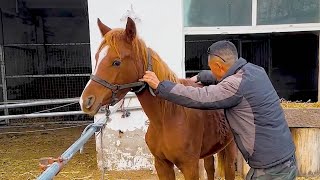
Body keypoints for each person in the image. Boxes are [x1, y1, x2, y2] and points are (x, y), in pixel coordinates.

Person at [140, 40, 297, 179]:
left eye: (211, 68)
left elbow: (202, 96)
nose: (212, 71)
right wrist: (201, 77)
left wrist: (161, 86)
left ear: (219, 66)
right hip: (282, 158)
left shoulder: (234, 86)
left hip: (271, 169)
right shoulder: (255, 71)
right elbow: (224, 76)